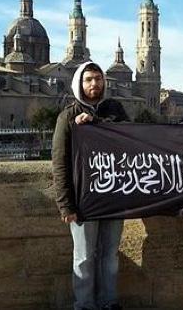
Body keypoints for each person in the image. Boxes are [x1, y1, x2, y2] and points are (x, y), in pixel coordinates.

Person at [52, 61, 129, 310]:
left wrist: (96, 123)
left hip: (114, 197)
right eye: (88, 79)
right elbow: (60, 162)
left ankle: (108, 302)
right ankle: (84, 305)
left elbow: (132, 139)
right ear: (79, 83)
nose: (94, 84)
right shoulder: (68, 117)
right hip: (83, 200)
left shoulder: (115, 110)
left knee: (110, 256)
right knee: (84, 257)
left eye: (98, 79)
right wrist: (65, 205)